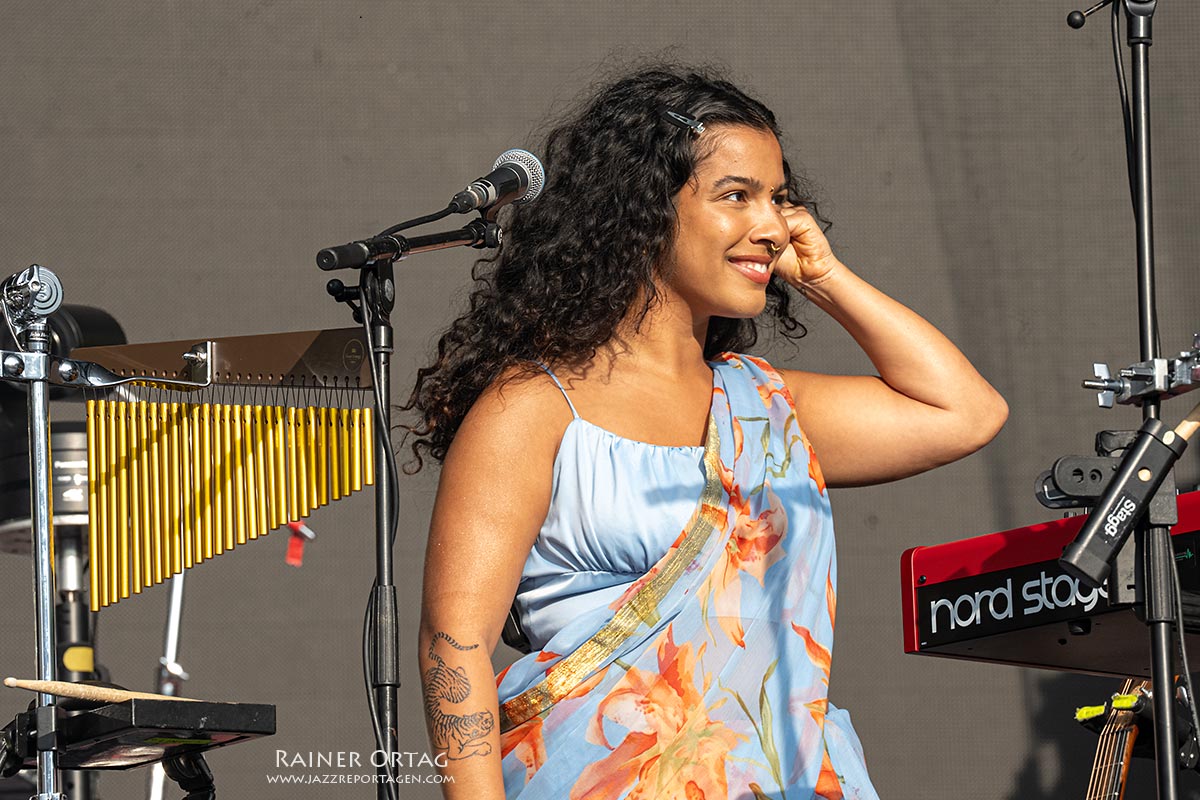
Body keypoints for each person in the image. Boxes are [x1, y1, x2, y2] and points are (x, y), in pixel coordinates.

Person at [408, 64, 1007, 800]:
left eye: (779, 198)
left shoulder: (766, 407)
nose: (773, 224)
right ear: (643, 211)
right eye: (737, 196)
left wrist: (823, 277)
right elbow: (454, 645)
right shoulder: (535, 407)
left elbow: (965, 413)